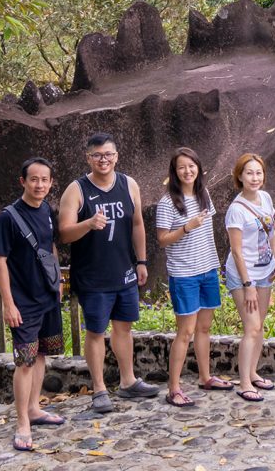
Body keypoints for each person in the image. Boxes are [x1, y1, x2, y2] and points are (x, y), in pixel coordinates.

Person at [59, 133, 160, 413]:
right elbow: (64, 233)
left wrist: (141, 261)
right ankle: (99, 388)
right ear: (88, 158)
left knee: (124, 327)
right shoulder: (76, 189)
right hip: (92, 275)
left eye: (108, 155)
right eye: (97, 155)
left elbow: (137, 224)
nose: (103, 160)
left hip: (124, 271)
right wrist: (88, 224)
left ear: (116, 156)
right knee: (95, 331)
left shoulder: (129, 184)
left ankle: (128, 382)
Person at [0, 157, 67, 451]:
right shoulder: (6, 218)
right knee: (24, 361)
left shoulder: (47, 210)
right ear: (22, 181)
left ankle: (35, 408)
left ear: (50, 183)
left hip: (47, 296)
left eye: (45, 180)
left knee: (41, 355)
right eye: (34, 179)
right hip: (23, 302)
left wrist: (58, 280)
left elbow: (50, 246)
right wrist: (8, 304)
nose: (40, 185)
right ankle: (22, 421)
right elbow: (0, 262)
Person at [155, 148, 232, 407]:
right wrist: (185, 228)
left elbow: (207, 234)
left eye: (191, 166)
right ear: (174, 172)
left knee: (204, 328)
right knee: (185, 331)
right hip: (184, 273)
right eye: (182, 167)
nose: (187, 171)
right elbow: (162, 240)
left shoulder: (203, 195)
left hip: (207, 268)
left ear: (198, 168)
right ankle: (173, 388)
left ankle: (205, 376)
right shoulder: (168, 202)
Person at [224, 153, 275, 402]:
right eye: (249, 173)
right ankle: (244, 382)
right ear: (239, 176)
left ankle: (254, 373)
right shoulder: (236, 210)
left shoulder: (265, 198)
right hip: (243, 275)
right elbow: (236, 251)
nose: (255, 178)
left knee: (260, 326)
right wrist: (247, 285)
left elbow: (272, 231)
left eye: (258, 173)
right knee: (252, 327)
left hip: (265, 271)